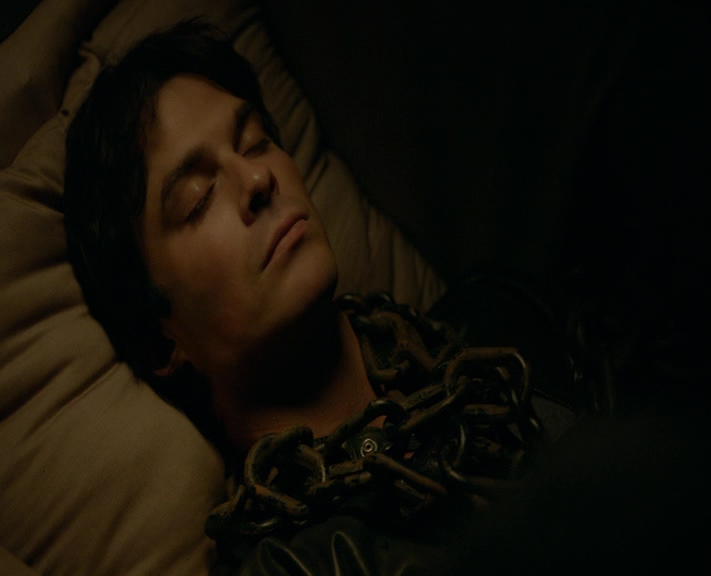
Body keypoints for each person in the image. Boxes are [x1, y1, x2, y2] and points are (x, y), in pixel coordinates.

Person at [63, 20, 545, 574]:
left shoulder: (494, 315)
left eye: (256, 142)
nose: (257, 179)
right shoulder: (295, 563)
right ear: (158, 339)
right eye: (198, 199)